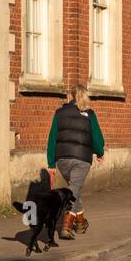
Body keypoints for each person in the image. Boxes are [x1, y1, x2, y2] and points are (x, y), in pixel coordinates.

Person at [45, 86, 105, 237]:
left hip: (62, 160)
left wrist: (51, 163)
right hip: (81, 159)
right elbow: (97, 137)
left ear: (70, 97)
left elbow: (52, 138)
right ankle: (66, 225)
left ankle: (80, 223)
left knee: (74, 190)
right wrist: (100, 152)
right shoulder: (90, 114)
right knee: (73, 191)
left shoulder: (59, 113)